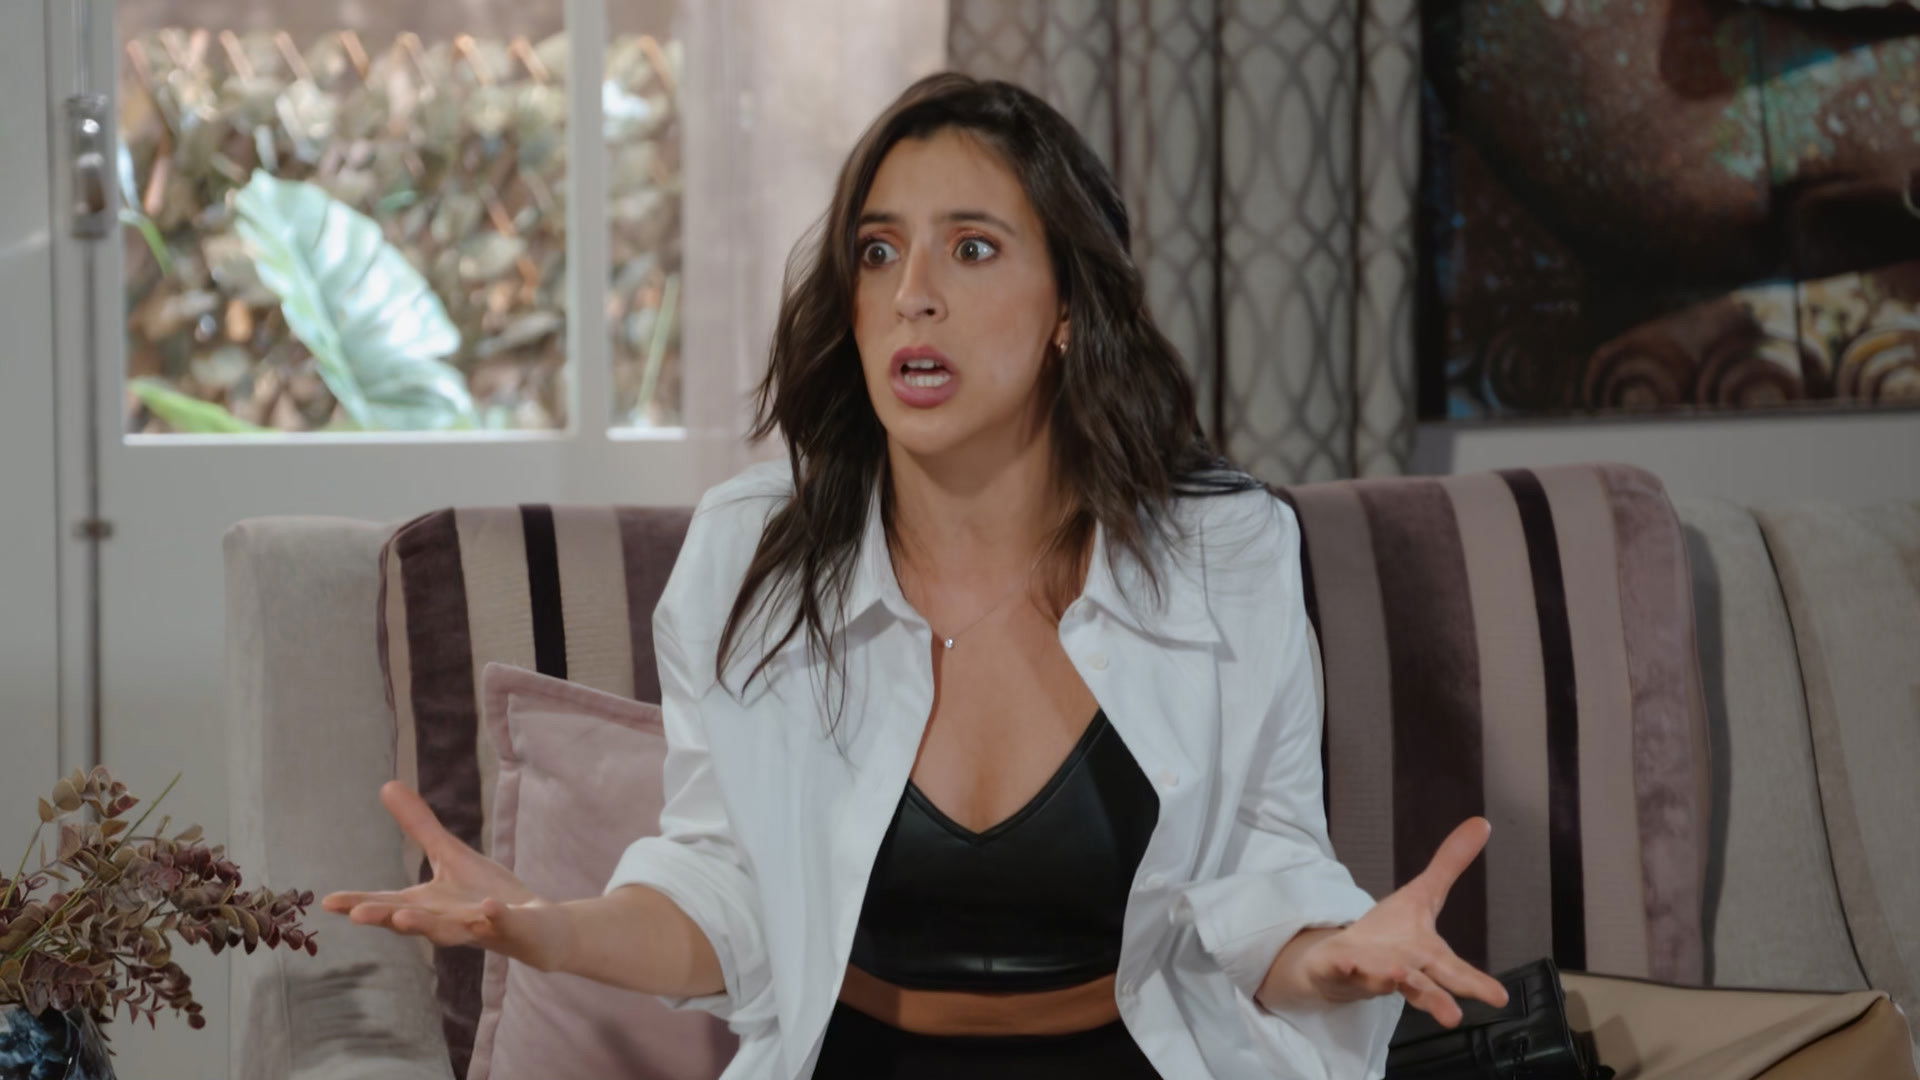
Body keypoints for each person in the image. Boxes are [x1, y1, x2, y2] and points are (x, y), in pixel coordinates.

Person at [322, 72, 1508, 1079]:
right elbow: (726, 895)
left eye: (972, 249)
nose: (912, 294)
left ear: (1069, 307)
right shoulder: (749, 559)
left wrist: (1332, 957)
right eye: (879, 251)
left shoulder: (1221, 551)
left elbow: (1266, 872)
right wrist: (547, 928)